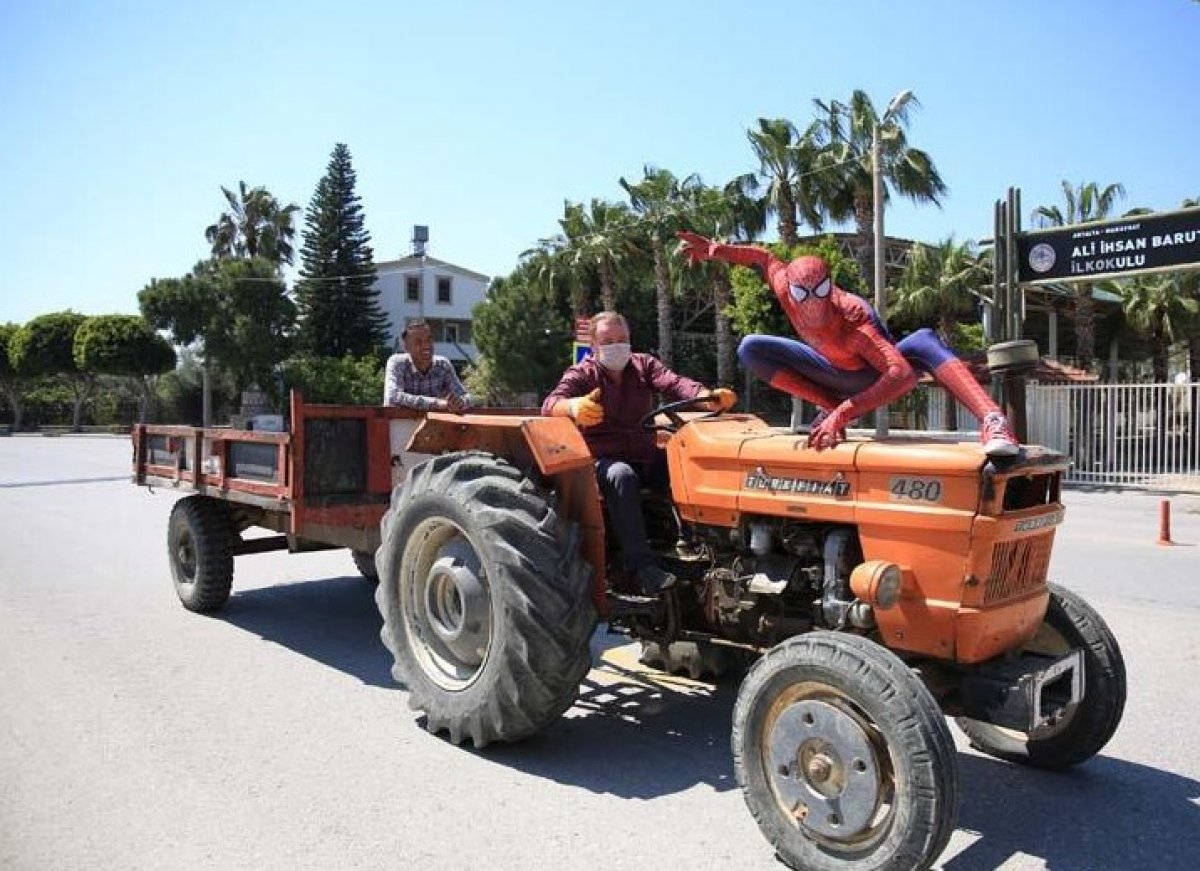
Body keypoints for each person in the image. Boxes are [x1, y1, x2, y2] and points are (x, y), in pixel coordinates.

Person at [677, 231, 1018, 457]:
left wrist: (842, 415)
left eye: (820, 291)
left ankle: (993, 421)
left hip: (872, 375)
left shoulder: (853, 316)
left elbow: (898, 374)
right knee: (750, 347)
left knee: (924, 339)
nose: (811, 302)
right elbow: (764, 258)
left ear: (831, 285)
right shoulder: (784, 286)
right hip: (832, 370)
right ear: (790, 290)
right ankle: (826, 408)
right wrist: (716, 251)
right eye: (802, 293)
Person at [542, 311, 737, 596]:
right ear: (594, 347)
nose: (616, 346)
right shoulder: (583, 374)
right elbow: (551, 404)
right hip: (602, 461)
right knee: (622, 476)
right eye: (608, 341)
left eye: (622, 339)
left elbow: (674, 383)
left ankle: (702, 543)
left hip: (643, 454)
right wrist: (573, 407)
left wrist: (707, 397)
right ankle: (641, 568)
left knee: (683, 462)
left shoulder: (643, 365)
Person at [383, 319, 471, 413]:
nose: (426, 346)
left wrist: (459, 403)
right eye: (418, 342)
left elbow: (466, 397)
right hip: (400, 426)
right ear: (406, 347)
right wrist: (436, 403)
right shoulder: (397, 363)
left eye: (429, 339)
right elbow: (392, 397)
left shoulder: (443, 365)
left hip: (435, 426)